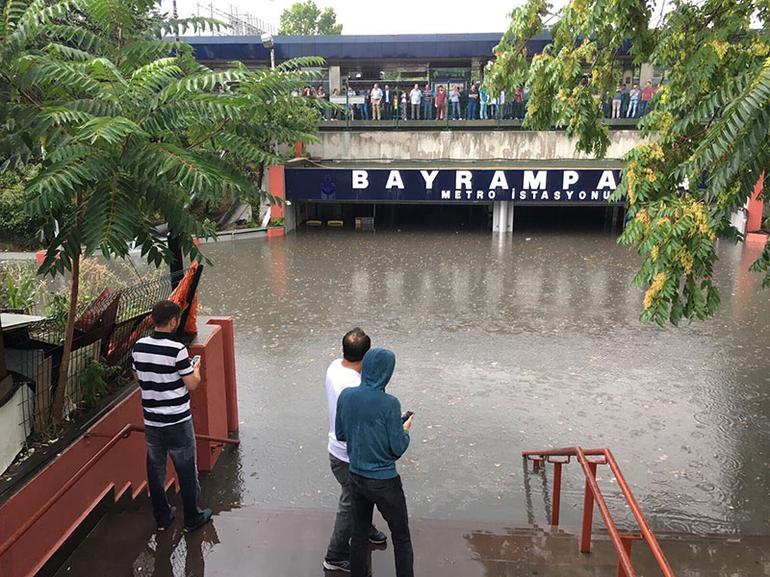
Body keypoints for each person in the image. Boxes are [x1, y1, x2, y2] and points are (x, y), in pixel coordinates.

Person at [132, 300, 211, 534]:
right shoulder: (177, 350)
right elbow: (192, 384)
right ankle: (192, 518)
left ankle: (163, 518)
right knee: (186, 471)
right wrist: (196, 368)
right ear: (174, 321)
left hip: (152, 422)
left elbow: (138, 376)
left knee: (155, 471)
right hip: (177, 422)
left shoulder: (139, 346)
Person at [336, 348, 415, 577]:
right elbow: (397, 448)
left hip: (356, 477)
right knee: (401, 537)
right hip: (384, 482)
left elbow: (342, 434)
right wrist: (405, 430)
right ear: (387, 373)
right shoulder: (389, 403)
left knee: (359, 534)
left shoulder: (346, 396)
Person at [322, 328, 387, 573]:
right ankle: (335, 555)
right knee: (349, 503)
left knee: (361, 495)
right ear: (367, 357)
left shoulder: (333, 368)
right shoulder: (359, 386)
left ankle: (366, 528)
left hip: (336, 450)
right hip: (350, 455)